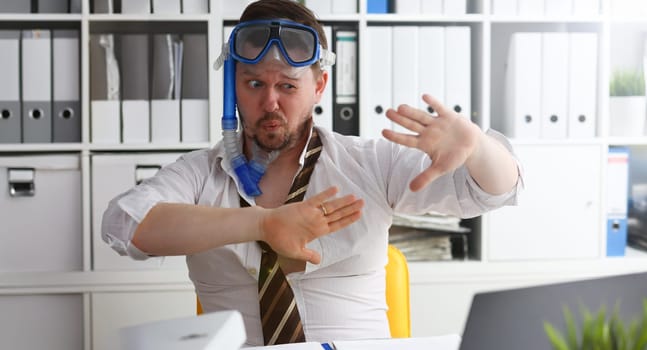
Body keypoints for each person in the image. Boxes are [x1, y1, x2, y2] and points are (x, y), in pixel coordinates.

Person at [101, 0, 523, 346]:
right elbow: (124, 224)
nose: (270, 103)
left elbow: (495, 191)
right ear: (232, 84)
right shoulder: (200, 173)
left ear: (319, 86)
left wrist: (478, 148)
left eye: (288, 85)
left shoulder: (370, 162)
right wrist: (262, 223)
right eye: (253, 84)